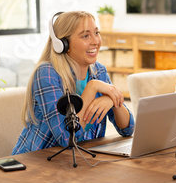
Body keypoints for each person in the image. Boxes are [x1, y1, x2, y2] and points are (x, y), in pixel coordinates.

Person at [12, 11, 134, 154]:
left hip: (80, 161)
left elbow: (127, 129)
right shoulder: (47, 74)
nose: (95, 41)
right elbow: (67, 138)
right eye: (85, 36)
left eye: (96, 33)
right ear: (63, 44)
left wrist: (112, 100)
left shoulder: (98, 71)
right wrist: (92, 87)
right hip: (37, 163)